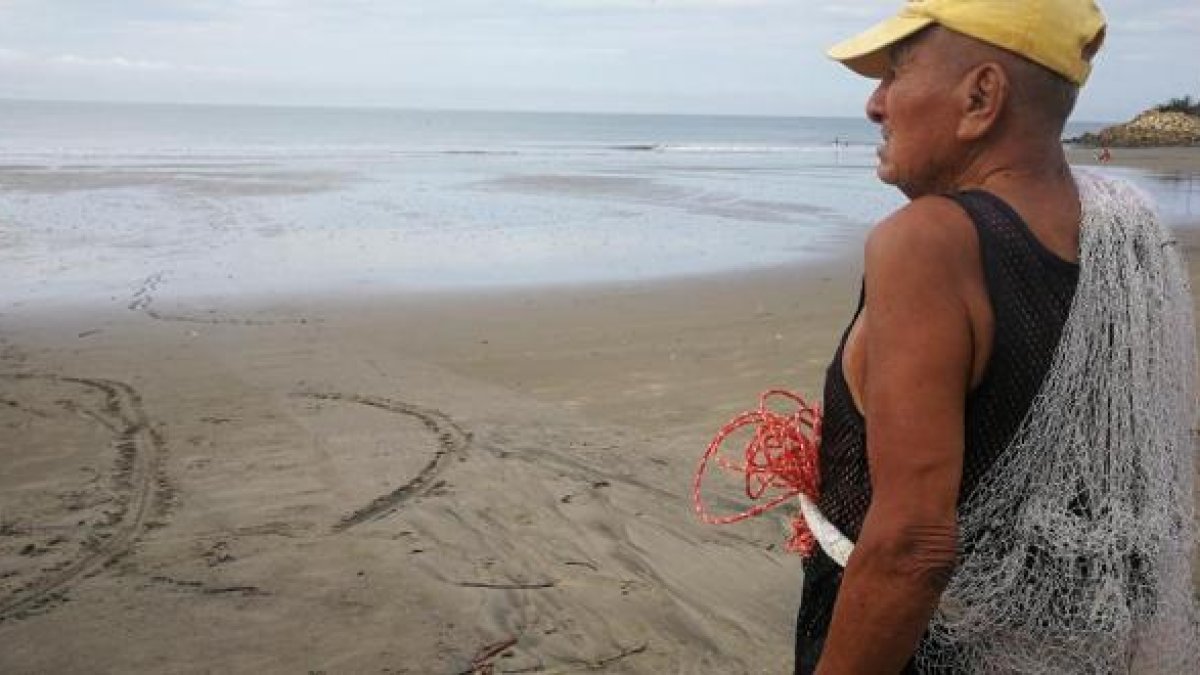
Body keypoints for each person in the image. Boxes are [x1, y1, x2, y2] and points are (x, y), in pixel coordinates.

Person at [795, 1, 1197, 673]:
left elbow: (912, 546)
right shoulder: (1124, 231)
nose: (875, 103)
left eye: (896, 71)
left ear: (981, 96)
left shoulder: (927, 242)